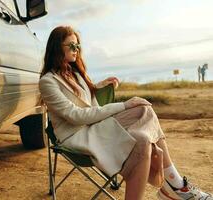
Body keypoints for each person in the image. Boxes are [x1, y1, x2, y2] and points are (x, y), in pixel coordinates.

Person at [39, 26, 212, 200]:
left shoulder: (75, 74)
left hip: (94, 128)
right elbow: (76, 115)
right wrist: (124, 105)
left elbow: (84, 99)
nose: (77, 50)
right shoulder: (47, 82)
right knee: (140, 122)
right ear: (57, 47)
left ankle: (174, 185)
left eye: (78, 46)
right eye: (72, 46)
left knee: (144, 127)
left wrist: (99, 86)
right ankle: (176, 186)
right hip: (76, 136)